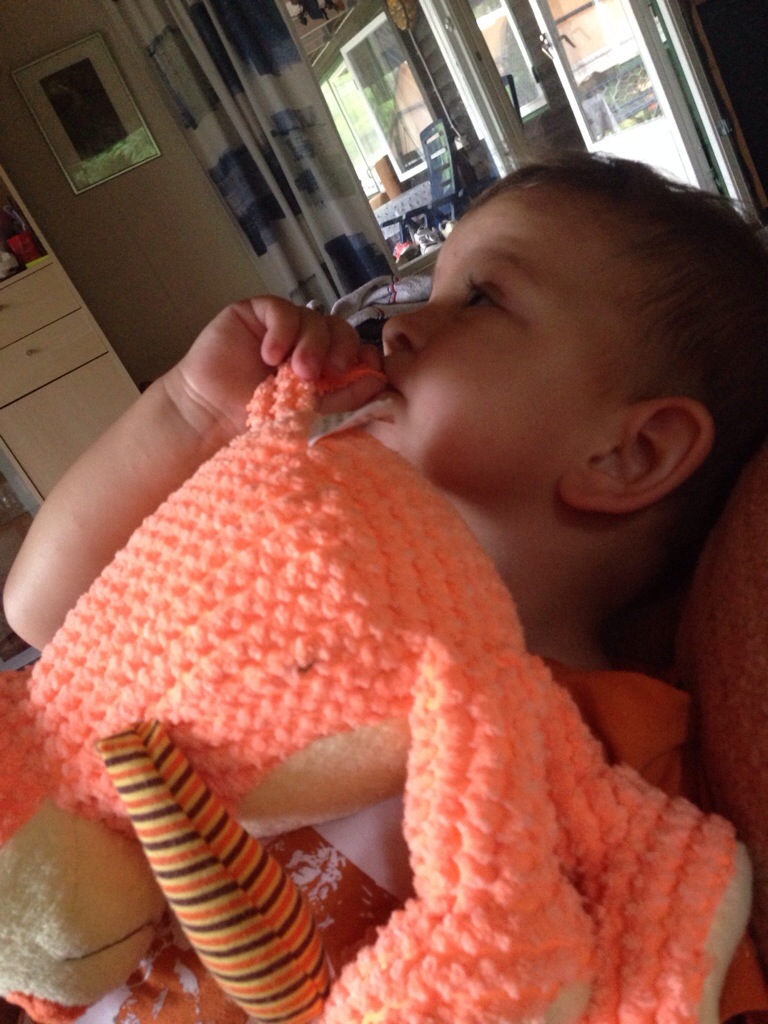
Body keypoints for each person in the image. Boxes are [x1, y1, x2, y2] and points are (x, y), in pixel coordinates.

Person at [4, 150, 768, 1014]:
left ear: (630, 453)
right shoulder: (276, 586)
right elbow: (44, 614)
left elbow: (665, 966)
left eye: (481, 299)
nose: (396, 328)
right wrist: (194, 408)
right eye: (426, 291)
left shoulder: (622, 756)